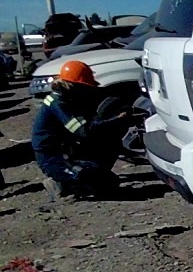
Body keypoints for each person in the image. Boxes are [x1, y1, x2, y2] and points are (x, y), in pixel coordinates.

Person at [31, 60, 132, 199]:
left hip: (67, 152)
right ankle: (62, 184)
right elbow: (85, 131)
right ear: (74, 86)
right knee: (105, 182)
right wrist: (117, 121)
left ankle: (83, 175)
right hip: (53, 160)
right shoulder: (59, 103)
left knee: (111, 146)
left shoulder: (68, 99)